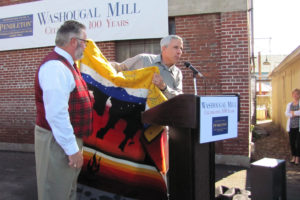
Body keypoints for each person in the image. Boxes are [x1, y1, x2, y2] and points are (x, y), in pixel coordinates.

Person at [34, 20, 93, 200]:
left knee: (66, 191)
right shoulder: (56, 67)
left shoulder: (66, 65)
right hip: (57, 142)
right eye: (85, 41)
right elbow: (56, 114)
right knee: (56, 193)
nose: (85, 46)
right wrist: (72, 150)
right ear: (74, 41)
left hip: (63, 140)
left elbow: (67, 96)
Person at [112, 35, 184, 99]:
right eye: (176, 47)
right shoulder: (144, 60)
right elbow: (118, 68)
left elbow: (179, 98)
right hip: (138, 111)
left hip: (163, 113)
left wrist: (164, 87)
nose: (179, 52)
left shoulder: (177, 73)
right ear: (164, 48)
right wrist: (101, 61)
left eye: (181, 48)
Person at [285, 88, 300, 165]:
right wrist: (295, 113)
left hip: (298, 127)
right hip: (291, 126)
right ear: (292, 95)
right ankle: (293, 156)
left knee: (298, 143)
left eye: (297, 94)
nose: (295, 95)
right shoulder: (289, 104)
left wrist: (293, 113)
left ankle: (297, 158)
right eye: (294, 94)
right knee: (292, 142)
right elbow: (286, 114)